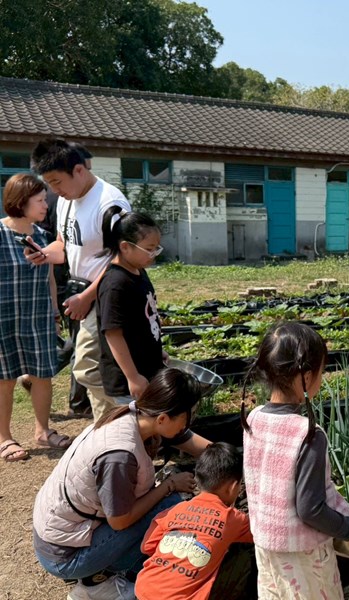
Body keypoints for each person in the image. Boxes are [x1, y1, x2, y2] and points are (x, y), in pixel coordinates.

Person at [33, 368, 200, 600]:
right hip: (65, 557)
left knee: (165, 505)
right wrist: (168, 485)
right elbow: (120, 521)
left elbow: (184, 437)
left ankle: (104, 573)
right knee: (170, 508)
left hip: (60, 534)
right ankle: (100, 585)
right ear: (162, 418)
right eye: (187, 417)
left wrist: (223, 455)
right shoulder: (119, 455)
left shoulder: (131, 416)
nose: (187, 424)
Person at [241, 322, 349, 600]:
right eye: (321, 372)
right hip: (305, 557)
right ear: (307, 377)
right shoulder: (308, 434)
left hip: (267, 550)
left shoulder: (254, 418)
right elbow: (310, 510)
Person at [29, 138, 131, 421]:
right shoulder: (66, 202)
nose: (54, 190)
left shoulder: (110, 203)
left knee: (89, 367)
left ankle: (112, 430)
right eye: (48, 183)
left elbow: (123, 259)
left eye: (56, 181)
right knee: (93, 367)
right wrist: (44, 254)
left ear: (78, 170)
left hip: (106, 295)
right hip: (80, 293)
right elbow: (64, 243)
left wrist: (87, 297)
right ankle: (112, 429)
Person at [0, 173, 71, 462]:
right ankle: (4, 438)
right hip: (3, 318)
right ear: (21, 201)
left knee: (43, 375)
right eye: (40, 200)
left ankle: (43, 430)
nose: (45, 205)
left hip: (38, 315)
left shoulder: (42, 236)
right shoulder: (0, 234)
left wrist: (54, 310)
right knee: (4, 379)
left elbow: (50, 279)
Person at [135, 442, 253, 600]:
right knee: (242, 555)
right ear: (232, 487)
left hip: (145, 589)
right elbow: (260, 534)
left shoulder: (172, 511)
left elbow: (147, 546)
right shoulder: (233, 518)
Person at [96, 207, 165, 403]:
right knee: (137, 428)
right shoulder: (115, 284)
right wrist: (132, 377)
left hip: (146, 371)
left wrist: (156, 350)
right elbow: (113, 334)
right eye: (149, 249)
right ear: (125, 246)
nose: (154, 254)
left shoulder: (138, 272)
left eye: (156, 248)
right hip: (128, 382)